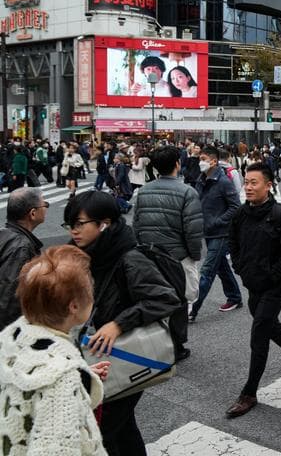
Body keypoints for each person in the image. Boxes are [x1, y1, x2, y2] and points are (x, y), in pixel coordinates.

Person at [63, 191, 180, 455]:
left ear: (104, 223)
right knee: (123, 429)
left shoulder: (129, 257)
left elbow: (165, 299)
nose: (73, 231)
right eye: (70, 224)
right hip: (102, 356)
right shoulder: (91, 253)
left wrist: (118, 324)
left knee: (104, 433)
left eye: (79, 224)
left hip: (125, 356)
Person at [0, 246, 109, 455]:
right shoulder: (60, 377)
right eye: (91, 290)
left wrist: (83, 376)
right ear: (74, 307)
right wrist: (68, 376)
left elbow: (29, 382)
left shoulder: (12, 338)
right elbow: (55, 449)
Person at [226, 163, 281, 418]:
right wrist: (240, 267)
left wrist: (272, 276)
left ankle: (249, 392)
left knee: (259, 332)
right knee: (271, 327)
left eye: (254, 182)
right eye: (246, 182)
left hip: (275, 285)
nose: (248, 187)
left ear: (268, 185)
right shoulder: (240, 214)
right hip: (252, 283)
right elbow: (233, 243)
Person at [132, 146, 204, 362]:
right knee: (179, 299)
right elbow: (193, 229)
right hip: (177, 255)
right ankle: (176, 345)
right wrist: (195, 254)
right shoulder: (187, 192)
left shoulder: (143, 191)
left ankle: (155, 342)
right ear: (177, 164)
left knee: (154, 298)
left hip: (150, 254)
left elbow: (137, 224)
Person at [190, 146, 243, 321]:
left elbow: (235, 207)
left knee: (207, 271)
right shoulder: (201, 179)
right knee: (221, 266)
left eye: (203, 159)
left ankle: (192, 310)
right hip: (208, 231)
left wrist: (217, 221)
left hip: (221, 233)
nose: (200, 162)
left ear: (213, 161)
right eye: (200, 158)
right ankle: (235, 297)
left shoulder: (223, 181)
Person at [0, 188, 47, 329]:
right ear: (33, 213)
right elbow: (8, 300)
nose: (46, 208)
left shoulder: (5, 234)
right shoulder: (22, 248)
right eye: (45, 205)